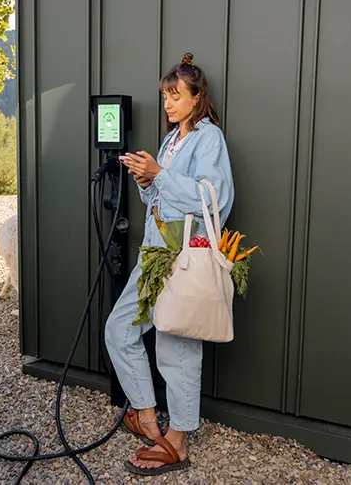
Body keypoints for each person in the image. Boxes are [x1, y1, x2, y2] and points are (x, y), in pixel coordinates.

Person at [106, 52, 234, 475]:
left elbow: (214, 197)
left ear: (198, 98)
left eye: (176, 96)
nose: (168, 104)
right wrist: (147, 181)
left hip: (184, 258)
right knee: (120, 330)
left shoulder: (208, 138)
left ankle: (177, 440)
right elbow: (162, 197)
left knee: (176, 346)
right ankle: (146, 417)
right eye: (165, 96)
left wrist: (160, 174)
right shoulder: (170, 140)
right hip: (154, 254)